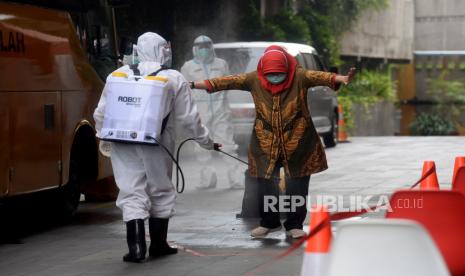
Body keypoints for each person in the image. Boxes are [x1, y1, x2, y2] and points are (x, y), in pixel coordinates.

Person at [191, 45, 355, 239]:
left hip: (298, 142)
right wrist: (192, 84)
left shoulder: (300, 77)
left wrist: (341, 78)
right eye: (270, 74)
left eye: (279, 74)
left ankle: (294, 224)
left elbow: (321, 76)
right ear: (262, 72)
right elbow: (225, 82)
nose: (275, 77)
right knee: (266, 183)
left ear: (288, 68)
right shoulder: (253, 79)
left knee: (297, 184)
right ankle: (269, 223)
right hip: (265, 142)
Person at [93, 32, 214, 263]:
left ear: (137, 50)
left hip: (121, 141)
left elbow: (100, 113)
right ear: (163, 50)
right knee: (160, 189)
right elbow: (190, 120)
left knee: (130, 190)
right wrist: (206, 142)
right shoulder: (173, 77)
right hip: (156, 142)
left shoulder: (116, 75)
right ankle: (158, 245)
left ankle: (136, 249)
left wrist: (103, 137)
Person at [181, 35, 243, 189]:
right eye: (200, 47)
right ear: (195, 49)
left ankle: (235, 179)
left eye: (207, 46)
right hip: (199, 113)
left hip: (221, 112)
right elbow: (184, 92)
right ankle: (208, 179)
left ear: (212, 47)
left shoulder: (221, 64)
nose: (204, 50)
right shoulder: (187, 67)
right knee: (201, 147)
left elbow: (228, 85)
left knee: (227, 146)